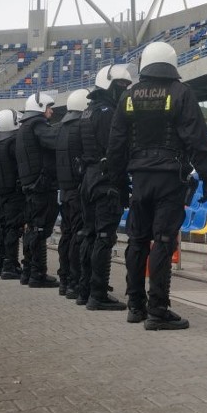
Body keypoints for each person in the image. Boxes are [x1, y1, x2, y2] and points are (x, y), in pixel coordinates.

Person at [108, 42, 207, 330]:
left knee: (137, 240)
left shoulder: (128, 96)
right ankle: (158, 309)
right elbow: (197, 137)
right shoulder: (181, 93)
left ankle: (135, 306)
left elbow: (116, 144)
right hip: (171, 179)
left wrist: (118, 182)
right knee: (164, 241)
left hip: (139, 180)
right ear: (171, 63)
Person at [80, 68, 133, 311]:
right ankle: (98, 294)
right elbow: (115, 151)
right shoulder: (107, 113)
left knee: (90, 235)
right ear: (108, 84)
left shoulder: (87, 111)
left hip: (89, 179)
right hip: (104, 181)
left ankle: (86, 289)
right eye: (121, 84)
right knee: (103, 237)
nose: (124, 89)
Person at [16, 93, 60, 288]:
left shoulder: (24, 127)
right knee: (40, 230)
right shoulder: (37, 124)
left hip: (30, 185)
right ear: (40, 107)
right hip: (41, 186)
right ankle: (38, 274)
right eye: (49, 107)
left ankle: (28, 272)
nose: (51, 111)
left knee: (33, 228)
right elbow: (53, 140)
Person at [54, 88, 89, 301]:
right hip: (77, 190)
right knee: (78, 236)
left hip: (64, 190)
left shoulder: (61, 129)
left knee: (66, 236)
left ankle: (65, 280)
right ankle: (76, 283)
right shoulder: (79, 128)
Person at [0, 109, 26, 280]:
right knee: (12, 228)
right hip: (12, 191)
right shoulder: (12, 142)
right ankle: (10, 265)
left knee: (2, 226)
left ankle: (0, 262)